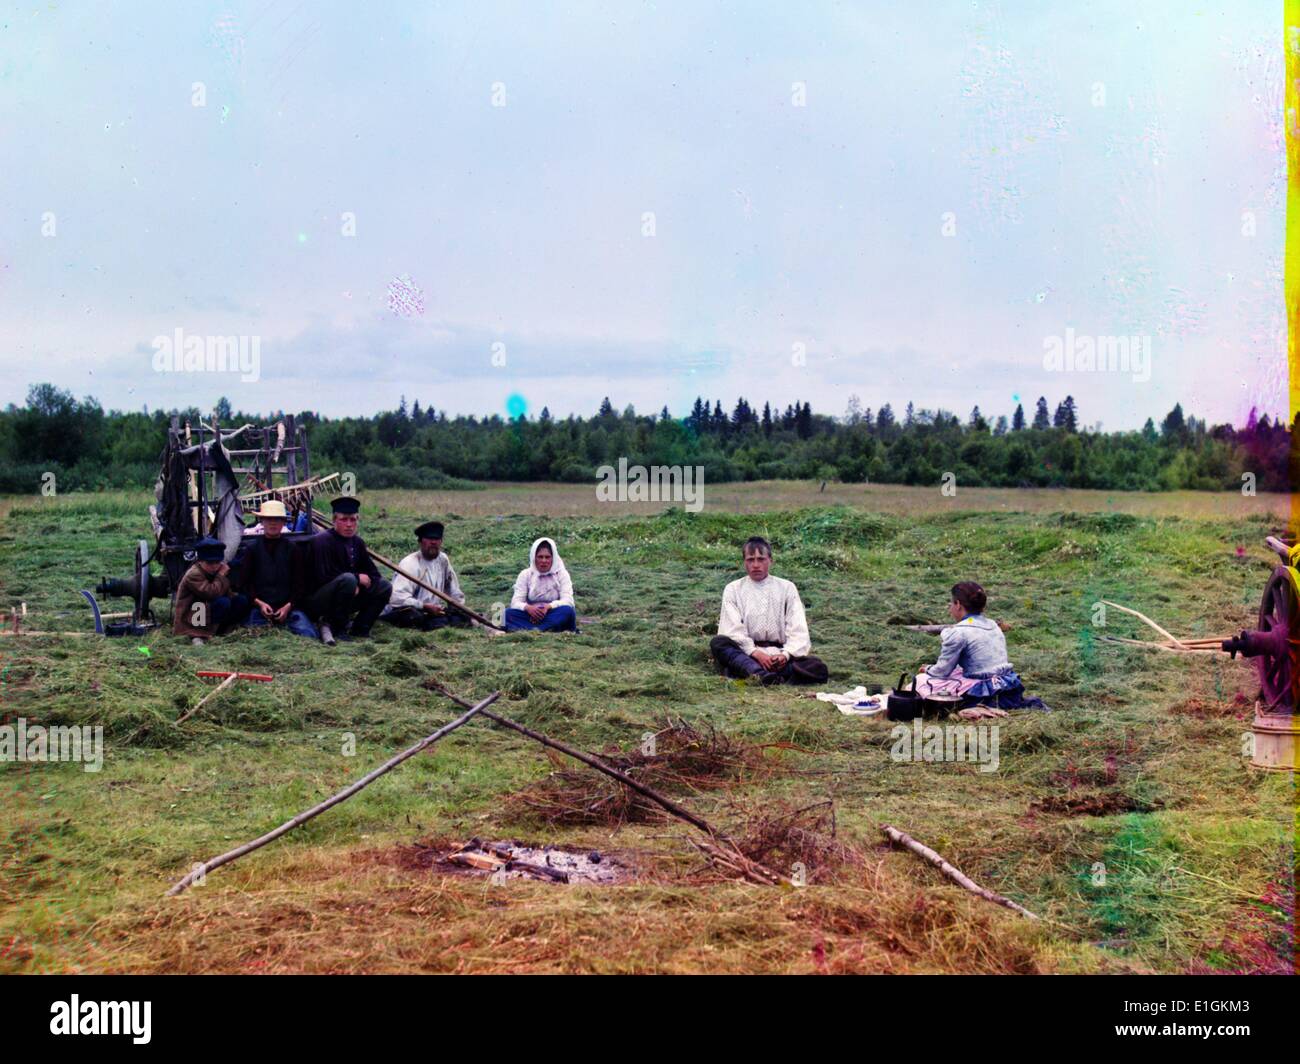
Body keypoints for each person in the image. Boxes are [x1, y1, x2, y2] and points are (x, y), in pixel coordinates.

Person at [915, 582, 1049, 714]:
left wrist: (927, 668)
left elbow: (942, 671)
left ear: (958, 605)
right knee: (957, 671)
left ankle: (975, 705)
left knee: (920, 681)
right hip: (1007, 684)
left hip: (981, 690)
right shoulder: (993, 625)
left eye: (951, 603)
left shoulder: (958, 632)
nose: (950, 608)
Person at [710, 536, 829, 685]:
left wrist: (785, 655)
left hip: (778, 656)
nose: (755, 565)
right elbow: (732, 629)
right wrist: (755, 652)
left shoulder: (787, 588)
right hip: (749, 654)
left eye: (761, 559)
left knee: (818, 668)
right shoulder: (733, 589)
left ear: (770, 560)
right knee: (719, 643)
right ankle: (762, 674)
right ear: (743, 562)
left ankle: (756, 674)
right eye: (750, 560)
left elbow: (798, 628)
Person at [303, 496, 392, 645]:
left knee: (384, 586)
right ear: (334, 520)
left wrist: (363, 583)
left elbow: (373, 573)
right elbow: (322, 576)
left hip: (346, 596)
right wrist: (356, 579)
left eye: (353, 520)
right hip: (317, 600)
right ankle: (338, 629)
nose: (349, 525)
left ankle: (360, 628)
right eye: (344, 520)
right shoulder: (321, 541)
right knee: (348, 580)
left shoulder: (357, 542)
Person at [238, 499, 317, 639]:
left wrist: (288, 606)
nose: (272, 523)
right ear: (261, 521)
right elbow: (244, 583)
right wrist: (259, 603)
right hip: (260, 608)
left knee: (308, 635)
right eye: (268, 519)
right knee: (250, 637)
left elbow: (300, 584)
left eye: (277, 519)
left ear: (283, 522)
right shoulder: (252, 550)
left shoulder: (293, 550)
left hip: (288, 608)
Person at [381, 521, 471, 630]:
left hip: (433, 611)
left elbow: (453, 590)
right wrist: (423, 606)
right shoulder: (410, 563)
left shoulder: (443, 560)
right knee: (413, 617)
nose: (433, 542)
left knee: (462, 617)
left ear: (441, 541)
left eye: (437, 539)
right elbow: (396, 598)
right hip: (409, 610)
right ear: (420, 542)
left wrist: (460, 608)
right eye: (429, 539)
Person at [173, 536, 249, 645]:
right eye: (209, 563)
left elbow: (227, 592)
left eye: (217, 562)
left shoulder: (217, 571)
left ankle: (225, 630)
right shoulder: (194, 574)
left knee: (240, 600)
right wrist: (221, 575)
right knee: (222, 602)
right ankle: (203, 635)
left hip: (208, 608)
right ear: (200, 561)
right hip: (194, 614)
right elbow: (211, 593)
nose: (214, 566)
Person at [504, 538, 577, 632]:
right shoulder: (525, 574)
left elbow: (568, 601)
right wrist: (528, 608)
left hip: (553, 613)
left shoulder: (562, 574)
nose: (544, 561)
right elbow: (515, 602)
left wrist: (548, 607)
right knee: (506, 614)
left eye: (547, 557)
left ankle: (529, 629)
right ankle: (546, 629)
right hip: (530, 615)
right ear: (534, 558)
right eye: (540, 557)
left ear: (553, 558)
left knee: (567, 611)